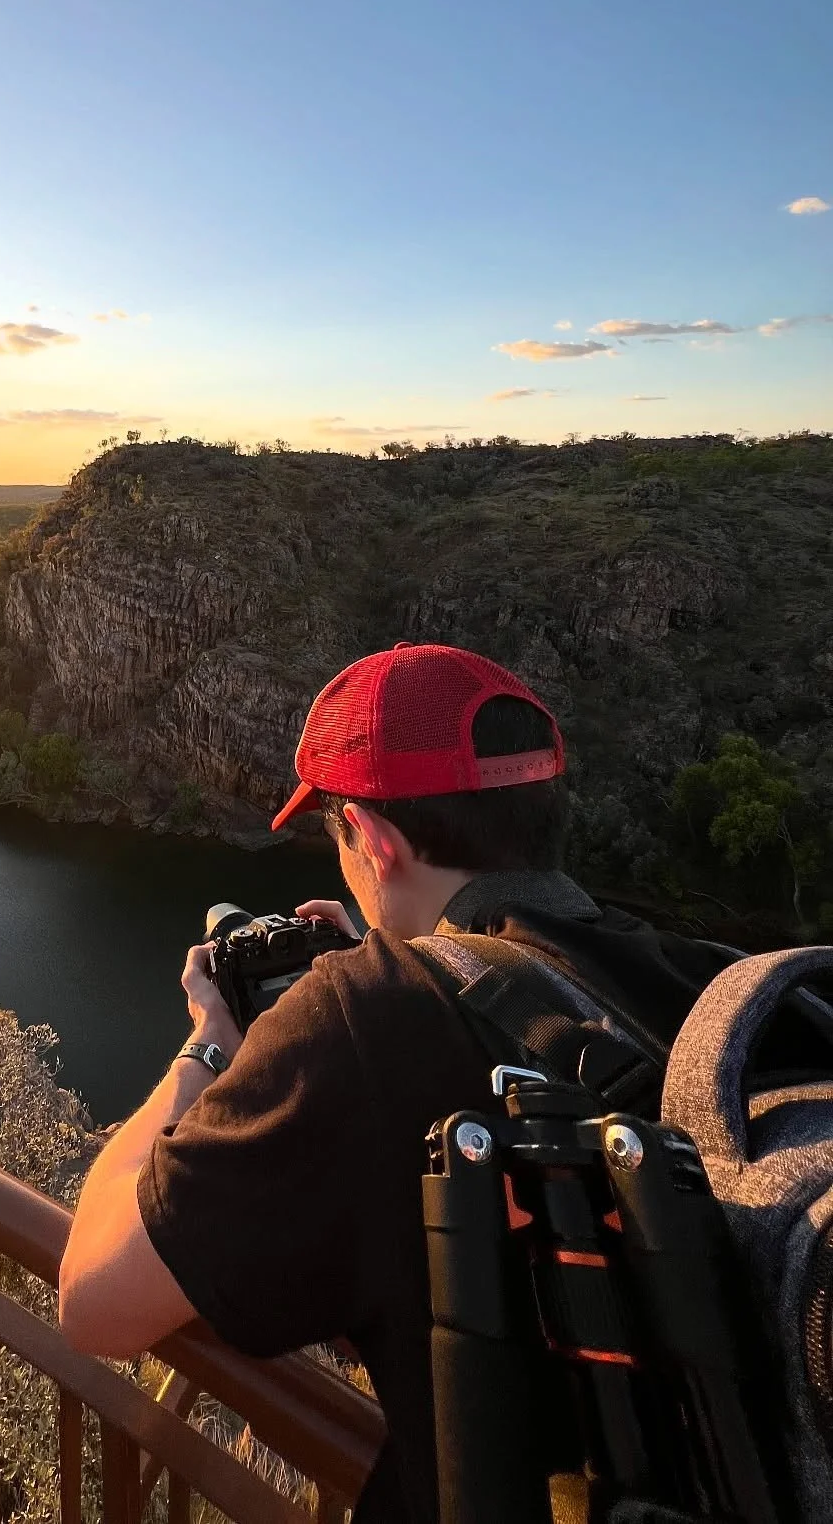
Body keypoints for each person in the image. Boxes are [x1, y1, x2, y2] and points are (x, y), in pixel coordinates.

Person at [58, 641, 739, 1524]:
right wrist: (403, 965)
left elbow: (95, 1303)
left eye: (334, 834)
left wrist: (209, 1048)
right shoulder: (720, 984)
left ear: (373, 841)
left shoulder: (365, 1020)